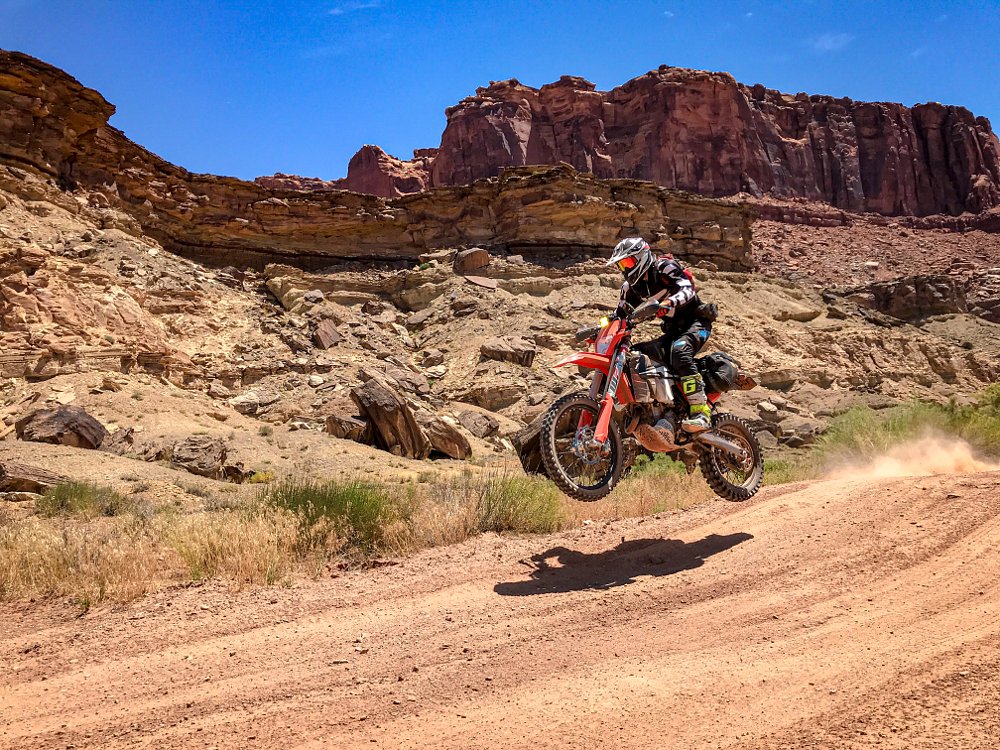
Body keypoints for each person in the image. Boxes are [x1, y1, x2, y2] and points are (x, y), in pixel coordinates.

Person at [607, 237, 717, 433]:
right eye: (621, 265)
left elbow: (687, 289)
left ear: (641, 257)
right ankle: (655, 407)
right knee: (634, 354)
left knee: (680, 350)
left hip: (696, 324)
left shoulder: (664, 267)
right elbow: (620, 315)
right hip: (673, 332)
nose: (625, 269)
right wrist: (603, 329)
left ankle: (701, 411)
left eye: (628, 262)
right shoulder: (630, 288)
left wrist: (666, 304)